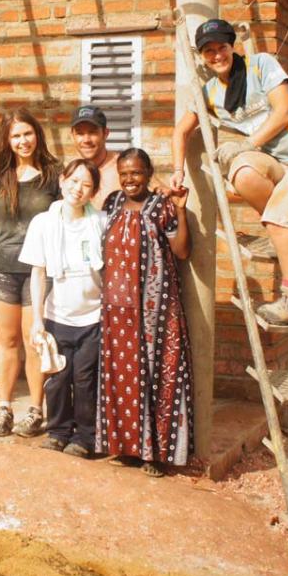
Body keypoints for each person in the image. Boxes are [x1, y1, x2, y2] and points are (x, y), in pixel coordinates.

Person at [171, 18, 288, 325]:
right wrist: (178, 170)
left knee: (279, 215)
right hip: (278, 166)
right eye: (209, 51)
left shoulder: (260, 65)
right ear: (202, 56)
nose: (217, 55)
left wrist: (247, 144)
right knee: (242, 173)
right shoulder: (210, 93)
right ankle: (287, 233)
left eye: (221, 47)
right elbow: (181, 131)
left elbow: (284, 112)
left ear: (232, 46)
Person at [98, 148, 193, 477]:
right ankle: (128, 448)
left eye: (136, 173)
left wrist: (180, 211)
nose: (129, 179)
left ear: (149, 173)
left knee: (157, 375)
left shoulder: (161, 206)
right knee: (122, 375)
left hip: (156, 310)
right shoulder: (111, 203)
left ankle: (156, 454)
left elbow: (181, 251)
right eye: (124, 173)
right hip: (117, 311)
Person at [0, 109, 61, 438]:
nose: (23, 141)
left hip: (40, 271)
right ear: (7, 141)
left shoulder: (54, 175)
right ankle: (5, 408)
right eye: (16, 136)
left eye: (27, 133)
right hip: (3, 268)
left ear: (37, 134)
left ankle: (36, 410)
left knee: (34, 340)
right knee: (6, 341)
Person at [19, 158, 105, 458]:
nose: (78, 189)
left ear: (93, 191)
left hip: (93, 317)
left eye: (86, 184)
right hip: (57, 316)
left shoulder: (100, 222)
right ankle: (58, 432)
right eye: (74, 180)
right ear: (62, 181)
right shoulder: (43, 223)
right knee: (57, 379)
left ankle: (85, 438)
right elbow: (38, 273)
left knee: (85, 380)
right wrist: (37, 320)